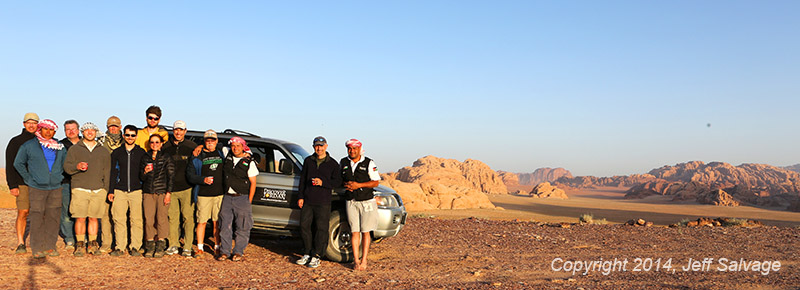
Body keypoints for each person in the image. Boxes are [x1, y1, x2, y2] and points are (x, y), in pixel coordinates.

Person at [13, 119, 67, 258]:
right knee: (36, 216)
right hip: (37, 187)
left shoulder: (59, 146)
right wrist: (29, 179)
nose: (48, 132)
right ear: (40, 129)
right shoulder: (29, 145)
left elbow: (65, 164)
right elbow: (18, 163)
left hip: (55, 186)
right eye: (45, 129)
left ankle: (50, 246)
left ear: (55, 131)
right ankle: (37, 248)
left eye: (51, 130)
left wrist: (59, 176)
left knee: (53, 217)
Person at [64, 122, 111, 257]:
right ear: (82, 133)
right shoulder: (74, 149)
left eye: (92, 130)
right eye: (86, 131)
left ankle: (92, 243)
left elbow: (107, 172)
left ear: (96, 133)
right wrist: (76, 166)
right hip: (80, 188)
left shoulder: (103, 151)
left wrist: (105, 189)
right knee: (80, 218)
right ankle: (79, 244)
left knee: (94, 218)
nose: (90, 133)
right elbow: (67, 167)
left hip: (98, 190)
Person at [296, 136, 341, 268]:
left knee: (321, 229)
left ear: (326, 146)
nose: (319, 148)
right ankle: (307, 253)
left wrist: (323, 183)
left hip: (323, 201)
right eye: (316, 146)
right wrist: (300, 197)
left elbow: (337, 182)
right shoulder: (308, 161)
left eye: (321, 146)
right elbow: (302, 180)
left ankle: (317, 255)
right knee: (304, 226)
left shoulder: (333, 164)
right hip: (308, 200)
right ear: (313, 146)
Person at [340, 139, 380, 271]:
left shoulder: (368, 162)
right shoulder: (344, 162)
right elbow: (340, 179)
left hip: (366, 201)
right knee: (354, 231)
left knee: (365, 231)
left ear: (359, 148)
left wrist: (359, 185)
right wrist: (347, 186)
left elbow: (375, 182)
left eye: (354, 149)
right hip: (351, 201)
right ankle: (356, 261)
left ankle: (364, 260)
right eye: (350, 149)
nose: (352, 151)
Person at [108, 125, 147, 257]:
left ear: (136, 137)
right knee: (119, 219)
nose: (130, 137)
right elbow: (113, 172)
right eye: (127, 135)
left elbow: (144, 173)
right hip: (120, 190)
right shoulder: (117, 153)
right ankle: (120, 247)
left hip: (136, 190)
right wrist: (111, 190)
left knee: (136, 220)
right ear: (123, 136)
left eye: (132, 135)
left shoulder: (142, 153)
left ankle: (135, 246)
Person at [216, 137, 256, 262]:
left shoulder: (249, 162)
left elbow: (253, 183)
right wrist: (199, 146)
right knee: (224, 226)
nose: (235, 148)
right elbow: (215, 144)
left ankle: (238, 252)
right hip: (227, 197)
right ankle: (225, 252)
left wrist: (248, 200)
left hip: (242, 197)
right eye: (233, 145)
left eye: (238, 146)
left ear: (243, 146)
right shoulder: (227, 154)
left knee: (243, 226)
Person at [187, 130, 225, 258]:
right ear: (204, 142)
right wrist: (202, 180)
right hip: (203, 194)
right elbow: (190, 176)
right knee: (201, 221)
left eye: (212, 140)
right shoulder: (197, 156)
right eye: (207, 141)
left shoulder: (222, 153)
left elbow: (241, 149)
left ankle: (217, 247)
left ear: (216, 141)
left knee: (217, 222)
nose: (210, 143)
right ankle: (200, 247)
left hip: (219, 194)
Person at [5, 112, 39, 254]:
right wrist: (12, 185)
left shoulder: (41, 141)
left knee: (38, 213)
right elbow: (10, 164)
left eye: (34, 122)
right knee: (23, 212)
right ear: (24, 124)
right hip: (22, 183)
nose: (31, 125)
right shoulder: (15, 141)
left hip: (39, 184)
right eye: (29, 122)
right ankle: (20, 243)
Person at [163, 120, 197, 257]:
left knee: (188, 218)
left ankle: (188, 246)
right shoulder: (165, 147)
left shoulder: (191, 146)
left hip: (187, 188)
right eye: (176, 129)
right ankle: (173, 245)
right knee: (172, 218)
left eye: (181, 130)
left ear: (185, 131)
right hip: (171, 189)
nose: (178, 132)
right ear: (173, 130)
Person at [140, 134, 174, 258]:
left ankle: (160, 244)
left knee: (161, 218)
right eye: (152, 142)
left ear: (161, 144)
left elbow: (171, 176)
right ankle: (150, 244)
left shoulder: (166, 157)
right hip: (148, 191)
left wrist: (168, 193)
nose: (154, 144)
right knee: (149, 219)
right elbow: (141, 177)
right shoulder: (145, 157)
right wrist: (145, 172)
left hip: (161, 191)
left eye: (157, 142)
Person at [96, 116, 123, 254]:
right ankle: (106, 243)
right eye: (110, 126)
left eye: (116, 126)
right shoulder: (100, 142)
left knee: (120, 216)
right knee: (105, 215)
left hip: (122, 183)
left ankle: (121, 244)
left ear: (120, 127)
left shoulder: (126, 141)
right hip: (105, 182)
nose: (113, 128)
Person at [58, 119, 80, 250]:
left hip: (83, 182)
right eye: (68, 129)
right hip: (66, 182)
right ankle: (69, 239)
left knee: (82, 212)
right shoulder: (60, 145)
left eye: (73, 129)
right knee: (66, 212)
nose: (71, 131)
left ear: (78, 130)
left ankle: (83, 238)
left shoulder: (86, 143)